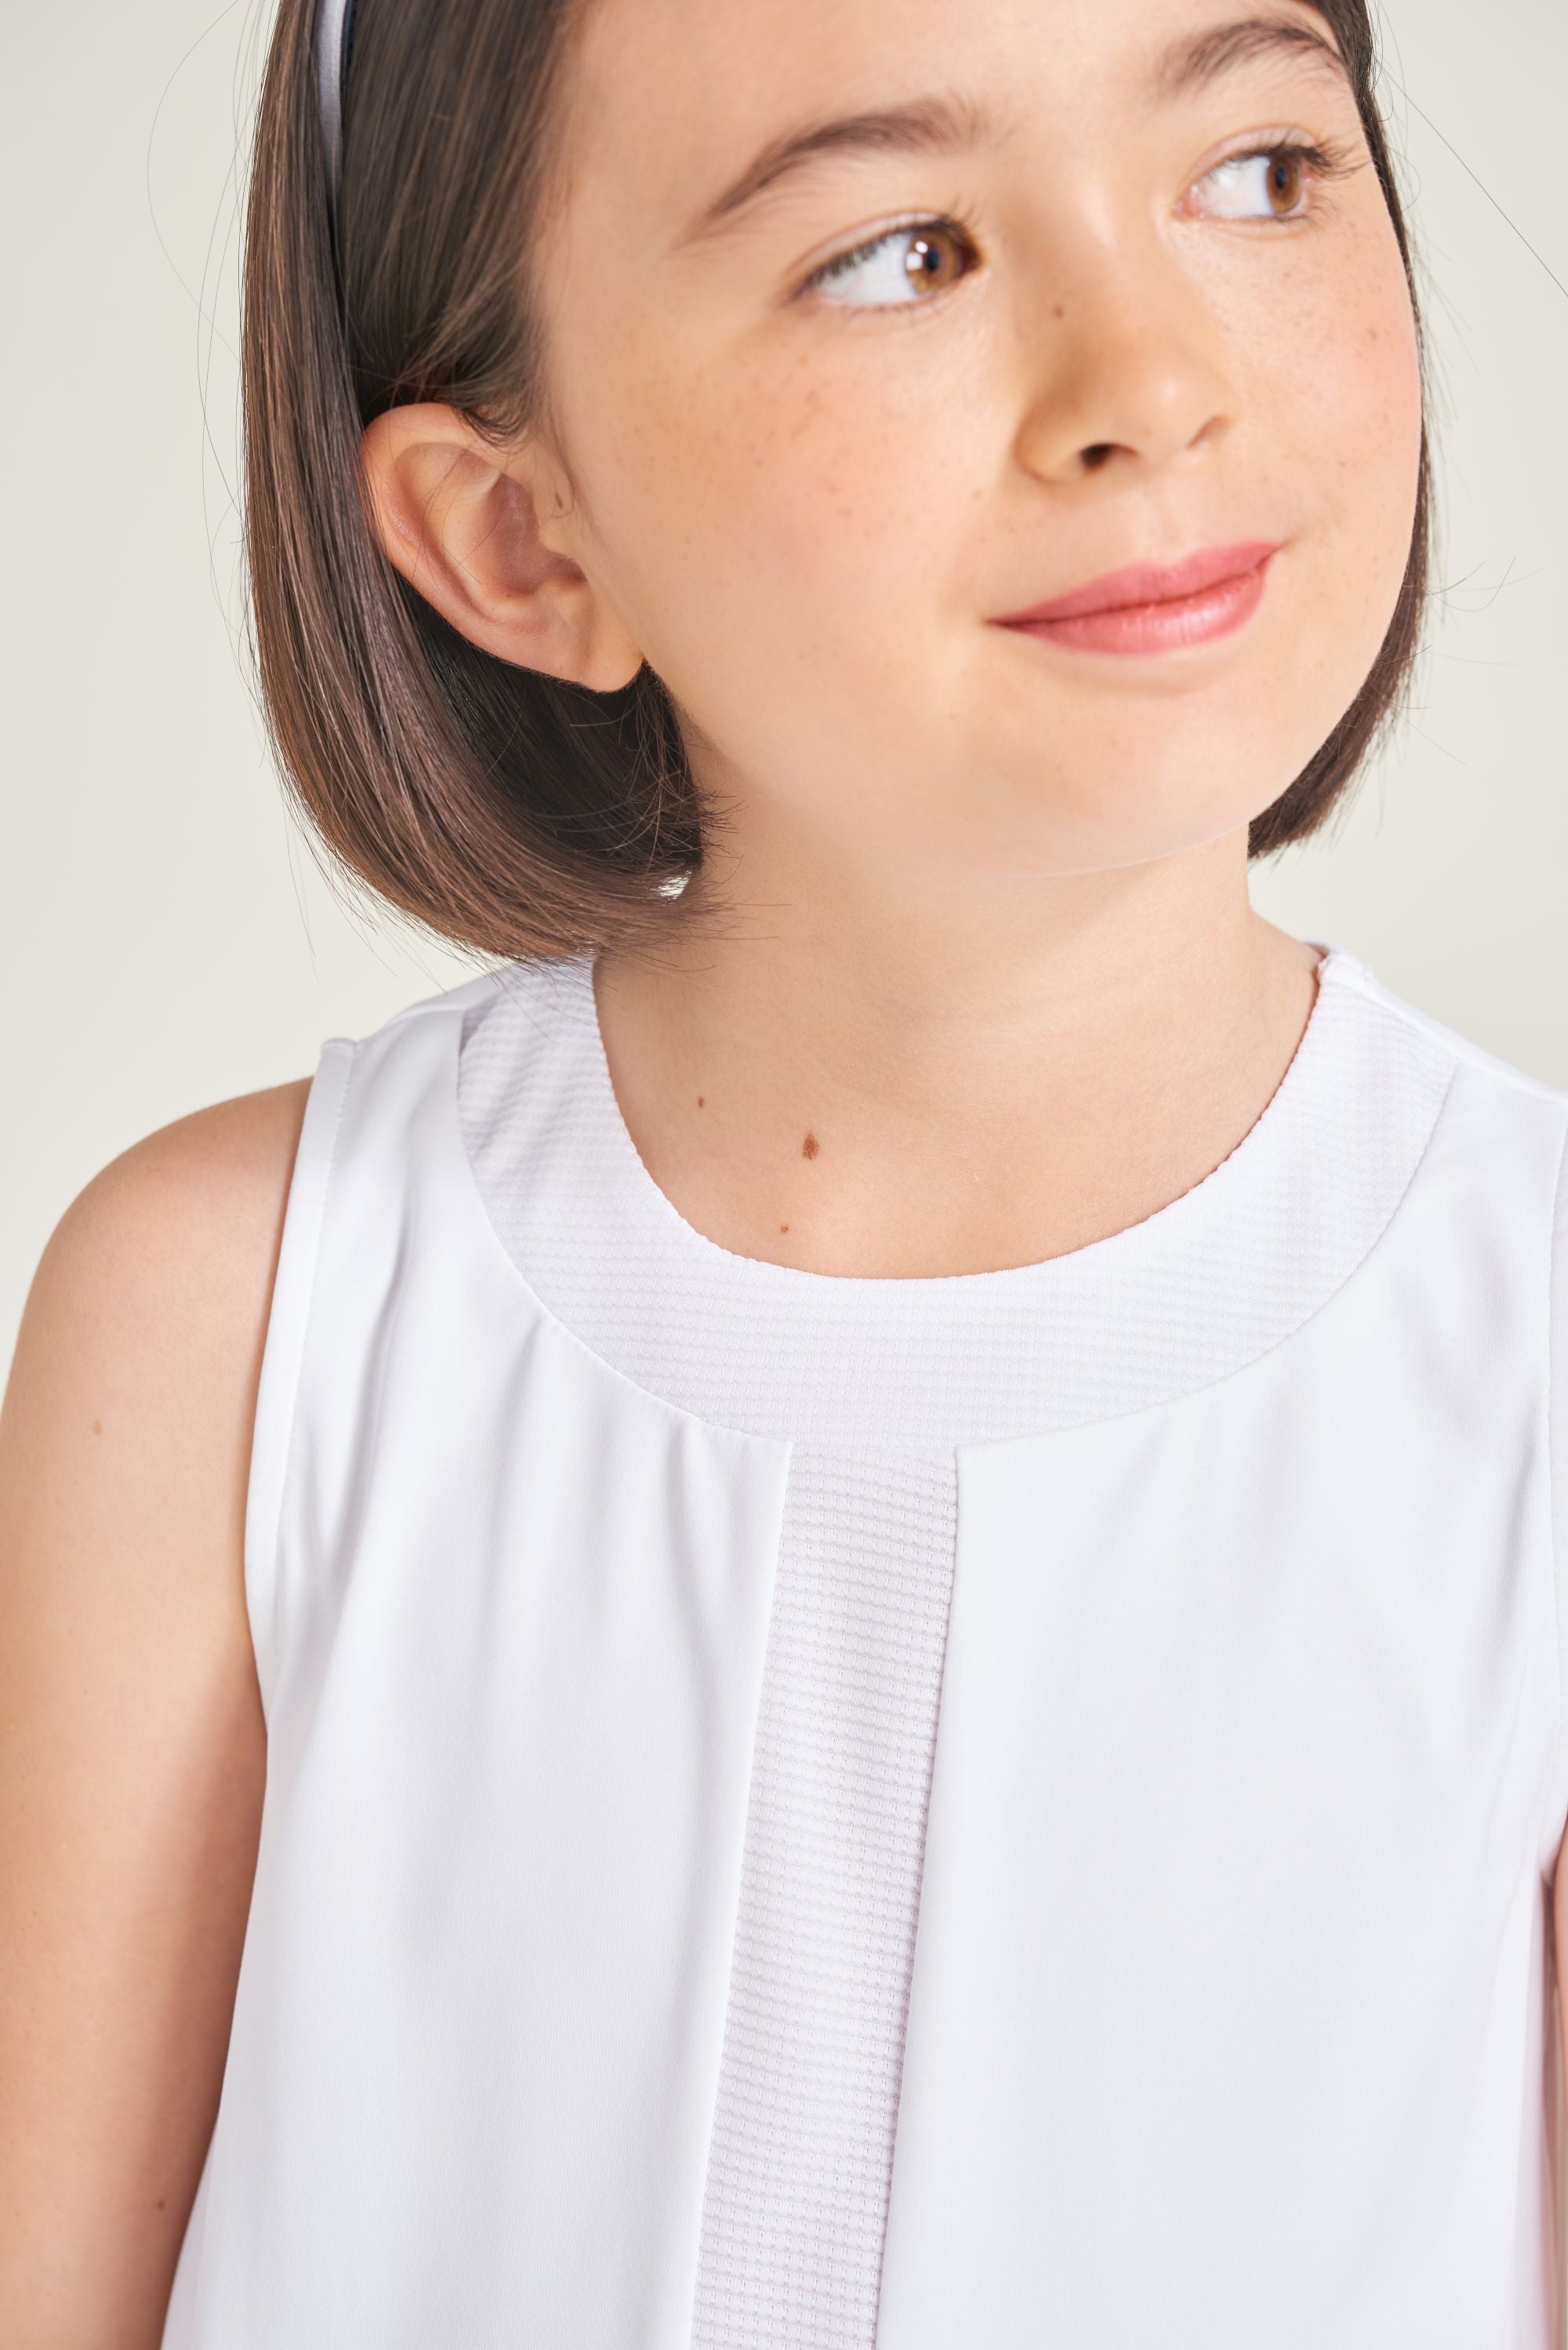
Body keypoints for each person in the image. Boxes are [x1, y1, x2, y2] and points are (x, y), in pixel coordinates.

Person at [2, 0, 1564, 2341]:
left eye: (1259, 170)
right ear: (518, 537)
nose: (1149, 377)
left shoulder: (1531, 1367)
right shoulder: (238, 1328)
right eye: (899, 249)